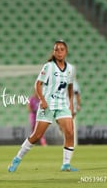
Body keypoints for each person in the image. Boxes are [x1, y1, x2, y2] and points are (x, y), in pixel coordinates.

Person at [8, 40, 77, 172]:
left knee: (69, 132)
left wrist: (71, 105)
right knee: (37, 135)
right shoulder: (49, 66)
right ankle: (17, 159)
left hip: (62, 105)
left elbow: (70, 87)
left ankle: (66, 165)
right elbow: (37, 84)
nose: (59, 52)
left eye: (62, 49)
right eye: (57, 49)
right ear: (53, 52)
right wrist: (42, 100)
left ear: (66, 51)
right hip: (48, 104)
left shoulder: (71, 69)